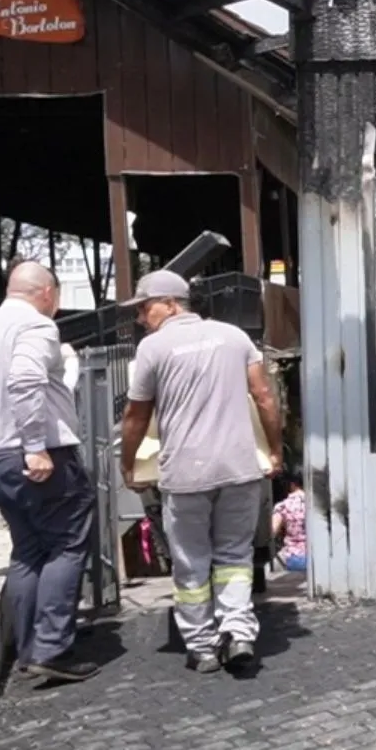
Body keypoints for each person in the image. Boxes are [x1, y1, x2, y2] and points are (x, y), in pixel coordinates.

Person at [118, 270, 283, 674]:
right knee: (234, 556)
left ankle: (203, 646)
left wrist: (128, 463)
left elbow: (136, 416)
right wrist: (275, 450)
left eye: (145, 307)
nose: (141, 317)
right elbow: (264, 396)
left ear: (172, 303)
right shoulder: (235, 337)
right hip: (239, 467)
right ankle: (239, 632)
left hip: (185, 474)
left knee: (191, 561)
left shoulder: (153, 349)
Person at [0, 262, 98, 683]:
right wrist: (33, 446)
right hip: (41, 456)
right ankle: (52, 649)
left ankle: (30, 649)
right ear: (47, 292)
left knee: (27, 550)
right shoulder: (38, 328)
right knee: (67, 544)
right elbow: (27, 379)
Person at [270, 474, 309, 575]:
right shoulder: (316, 504)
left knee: (267, 570)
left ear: (292, 485)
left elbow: (271, 533)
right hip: (318, 559)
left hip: (292, 558)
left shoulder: (283, 506)